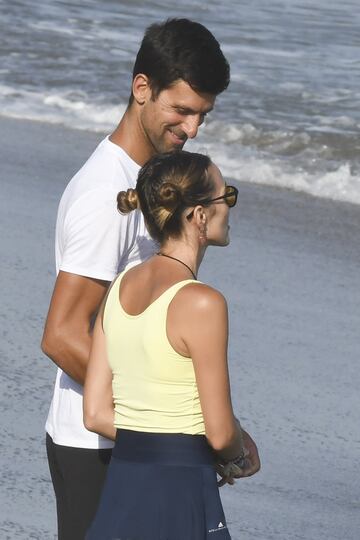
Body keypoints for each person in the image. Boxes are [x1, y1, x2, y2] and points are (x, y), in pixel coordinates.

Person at [41, 18, 230, 540]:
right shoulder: (109, 197)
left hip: (125, 444)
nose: (191, 130)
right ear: (141, 88)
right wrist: (163, 431)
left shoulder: (147, 187)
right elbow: (61, 334)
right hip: (96, 447)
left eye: (202, 116)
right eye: (182, 110)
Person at [83, 150, 260, 540]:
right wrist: (238, 455)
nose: (229, 208)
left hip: (123, 486)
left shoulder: (118, 289)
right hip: (179, 490)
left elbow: (95, 412)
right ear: (198, 215)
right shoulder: (202, 302)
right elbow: (219, 433)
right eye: (226, 197)